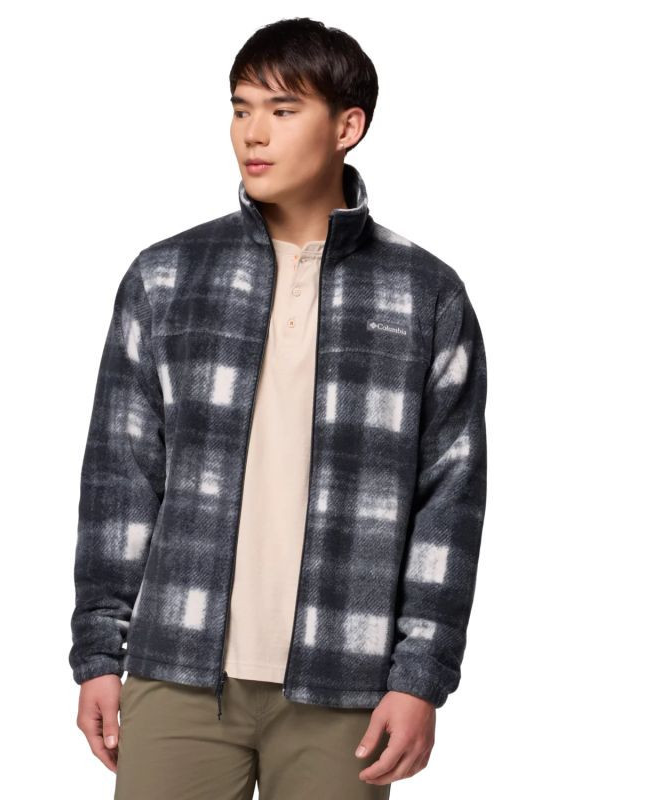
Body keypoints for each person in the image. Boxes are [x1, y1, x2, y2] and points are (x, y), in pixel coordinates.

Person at [70, 16, 488, 799]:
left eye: (282, 110)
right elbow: (120, 477)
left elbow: (449, 503)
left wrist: (421, 676)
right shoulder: (166, 277)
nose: (252, 133)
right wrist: (99, 653)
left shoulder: (425, 294)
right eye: (240, 109)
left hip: (346, 679)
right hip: (177, 665)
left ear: (347, 127)